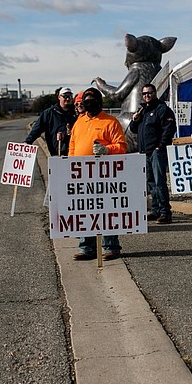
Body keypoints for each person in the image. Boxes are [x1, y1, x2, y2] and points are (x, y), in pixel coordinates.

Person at [68, 87, 128, 260]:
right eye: (86, 101)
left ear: (100, 102)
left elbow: (122, 147)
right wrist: (70, 164)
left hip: (104, 176)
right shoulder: (79, 122)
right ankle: (87, 247)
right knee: (84, 210)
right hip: (81, 175)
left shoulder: (110, 122)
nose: (89, 104)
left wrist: (106, 150)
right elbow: (72, 146)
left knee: (106, 210)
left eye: (92, 101)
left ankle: (110, 247)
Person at [129, 83, 177, 224]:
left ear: (155, 93)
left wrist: (160, 146)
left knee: (159, 181)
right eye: (144, 94)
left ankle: (165, 212)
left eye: (149, 92)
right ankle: (155, 210)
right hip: (144, 152)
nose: (147, 96)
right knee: (151, 183)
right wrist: (135, 120)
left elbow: (169, 128)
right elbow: (133, 129)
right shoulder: (142, 111)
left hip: (156, 152)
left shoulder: (162, 109)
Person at [24, 87, 77, 156]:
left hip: (73, 152)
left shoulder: (76, 113)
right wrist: (28, 141)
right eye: (65, 96)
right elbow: (37, 128)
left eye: (70, 96)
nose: (67, 99)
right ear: (59, 97)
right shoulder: (49, 113)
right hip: (56, 153)